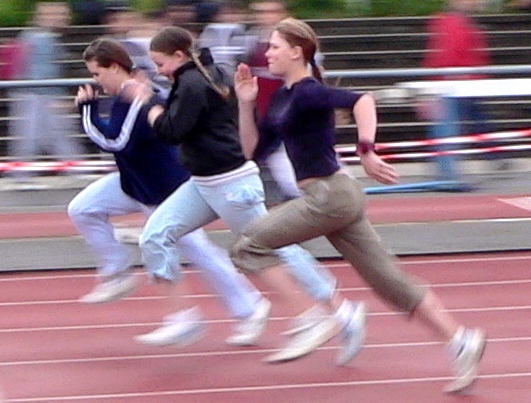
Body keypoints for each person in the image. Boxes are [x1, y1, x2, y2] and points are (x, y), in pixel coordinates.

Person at [232, 17, 486, 393]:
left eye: (273, 46)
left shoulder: (308, 91)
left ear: (296, 52)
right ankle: (461, 339)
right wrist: (245, 103)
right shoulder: (283, 99)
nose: (266, 53)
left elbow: (362, 100)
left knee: (246, 245)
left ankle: (311, 317)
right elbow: (251, 149)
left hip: (330, 195)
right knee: (389, 283)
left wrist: (366, 149)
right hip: (334, 199)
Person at [134, 26, 366, 364]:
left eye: (160, 63)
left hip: (231, 184)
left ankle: (335, 313)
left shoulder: (194, 84)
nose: (158, 71)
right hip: (203, 182)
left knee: (272, 249)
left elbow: (170, 131)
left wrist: (148, 103)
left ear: (179, 56)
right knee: (155, 234)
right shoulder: (196, 77)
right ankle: (182, 318)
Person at [69, 38, 273, 347]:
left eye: (97, 74)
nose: (95, 82)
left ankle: (246, 308)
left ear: (113, 67)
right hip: (134, 183)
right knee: (82, 209)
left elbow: (116, 141)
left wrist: (87, 111)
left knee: (194, 250)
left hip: (164, 189)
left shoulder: (136, 96)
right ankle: (118, 271)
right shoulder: (130, 92)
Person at [420, 0, 502, 184]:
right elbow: (448, 55)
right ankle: (449, 171)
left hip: (460, 82)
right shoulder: (454, 23)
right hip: (456, 83)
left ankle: (491, 155)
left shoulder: (454, 22)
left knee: (454, 124)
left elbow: (444, 54)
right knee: (450, 125)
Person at [7, 1, 83, 187]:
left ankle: (77, 169)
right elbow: (44, 72)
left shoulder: (35, 37)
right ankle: (77, 169)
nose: (64, 19)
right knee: (36, 135)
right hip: (38, 95)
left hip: (33, 95)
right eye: (57, 15)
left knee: (53, 135)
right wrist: (59, 97)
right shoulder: (42, 39)